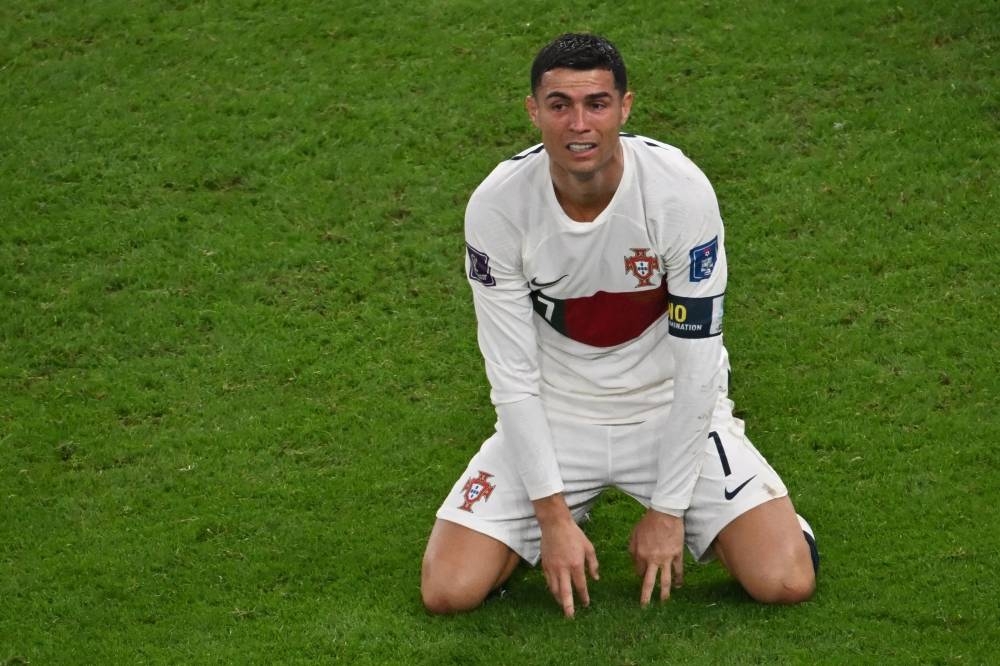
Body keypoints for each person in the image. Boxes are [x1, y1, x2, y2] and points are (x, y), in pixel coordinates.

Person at [421, 33, 818, 618]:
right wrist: (551, 519)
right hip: (557, 414)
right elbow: (511, 375)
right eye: (559, 105)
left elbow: (698, 362)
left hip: (667, 407)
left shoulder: (679, 192)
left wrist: (668, 510)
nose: (579, 124)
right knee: (447, 591)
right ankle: (530, 544)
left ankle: (779, 524)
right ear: (534, 111)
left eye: (596, 104)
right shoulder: (498, 207)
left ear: (625, 107)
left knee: (785, 581)